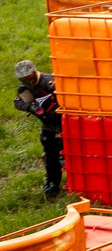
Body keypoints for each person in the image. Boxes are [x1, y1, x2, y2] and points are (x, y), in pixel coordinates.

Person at [14, 61, 62, 199]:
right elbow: (17, 102)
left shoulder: (49, 82)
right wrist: (31, 108)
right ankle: (52, 183)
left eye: (28, 78)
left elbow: (66, 97)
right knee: (50, 156)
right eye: (23, 79)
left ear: (34, 72)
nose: (27, 81)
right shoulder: (25, 89)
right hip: (49, 125)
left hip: (64, 122)